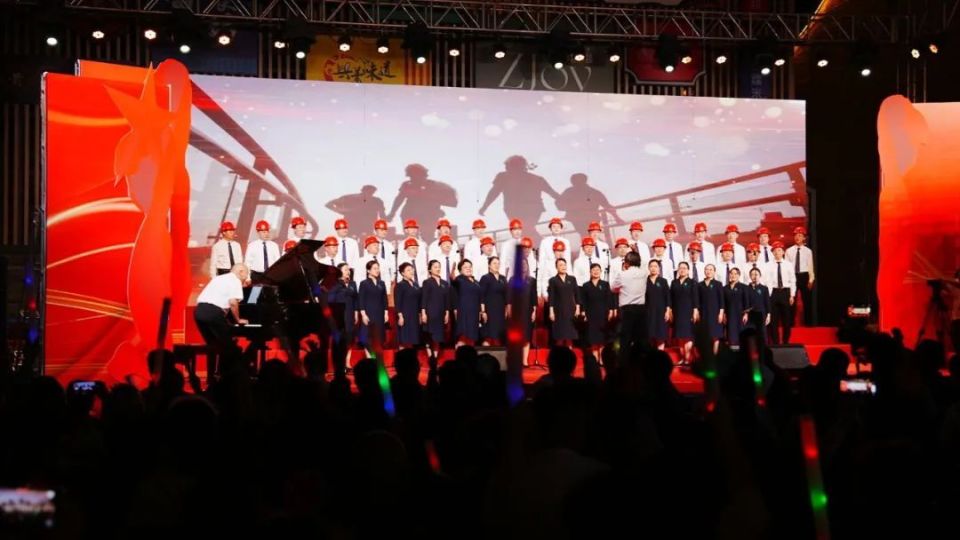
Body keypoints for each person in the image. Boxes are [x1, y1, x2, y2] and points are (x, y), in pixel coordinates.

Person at [479, 155, 560, 240]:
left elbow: (494, 192)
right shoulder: (535, 179)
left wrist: (484, 207)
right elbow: (494, 193)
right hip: (520, 209)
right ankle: (539, 244)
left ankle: (541, 244)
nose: (506, 168)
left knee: (525, 230)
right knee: (525, 231)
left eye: (508, 166)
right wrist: (484, 207)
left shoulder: (506, 177)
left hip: (526, 209)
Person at [386, 163, 458, 237]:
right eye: (411, 176)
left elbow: (442, 200)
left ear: (423, 175)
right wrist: (392, 213)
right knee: (411, 237)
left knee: (428, 237)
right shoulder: (407, 185)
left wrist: (436, 209)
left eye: (415, 176)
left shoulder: (433, 185)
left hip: (428, 215)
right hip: (410, 214)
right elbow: (399, 199)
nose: (413, 178)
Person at [194, 263, 248, 354]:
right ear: (241, 272)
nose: (246, 278)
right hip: (213, 313)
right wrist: (238, 320)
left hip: (199, 312)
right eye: (247, 274)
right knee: (229, 348)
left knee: (214, 345)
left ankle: (215, 363)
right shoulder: (235, 280)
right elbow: (233, 303)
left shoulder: (218, 278)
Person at [555, 173, 624, 238]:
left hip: (582, 218)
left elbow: (607, 206)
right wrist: (617, 218)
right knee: (588, 236)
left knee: (587, 236)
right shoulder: (593, 192)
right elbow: (607, 206)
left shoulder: (570, 192)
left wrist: (617, 218)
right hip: (584, 218)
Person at [612, 251, 648, 356]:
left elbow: (613, 288)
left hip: (627, 310)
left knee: (625, 337)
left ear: (627, 262)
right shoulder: (644, 273)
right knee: (641, 337)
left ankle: (624, 360)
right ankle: (641, 359)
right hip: (641, 309)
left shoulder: (622, 274)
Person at [327, 263, 358, 374]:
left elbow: (355, 299)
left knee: (349, 339)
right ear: (339, 272)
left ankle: (347, 363)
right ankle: (340, 364)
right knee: (341, 340)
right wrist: (340, 283)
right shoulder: (335, 284)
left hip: (350, 314)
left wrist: (356, 312)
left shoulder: (353, 284)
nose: (348, 271)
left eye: (348, 269)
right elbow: (330, 299)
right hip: (339, 315)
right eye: (345, 269)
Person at [580, 263, 614, 360]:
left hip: (603, 314)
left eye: (598, 270)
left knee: (602, 338)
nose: (596, 272)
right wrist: (583, 312)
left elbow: (609, 298)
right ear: (590, 272)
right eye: (593, 270)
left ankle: (602, 360)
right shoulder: (586, 285)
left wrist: (611, 311)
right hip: (591, 314)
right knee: (593, 338)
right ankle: (595, 359)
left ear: (601, 271)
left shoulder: (605, 284)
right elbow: (583, 301)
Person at [508, 258, 538, 366]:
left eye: (525, 264)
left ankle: (524, 361)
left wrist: (534, 311)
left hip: (528, 311)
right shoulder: (512, 279)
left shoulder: (532, 280)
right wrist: (509, 310)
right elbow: (509, 297)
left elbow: (534, 297)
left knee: (527, 336)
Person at [420, 259, 451, 362]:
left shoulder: (444, 283)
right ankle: (430, 357)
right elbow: (424, 298)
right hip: (430, 313)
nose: (438, 269)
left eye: (439, 267)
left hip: (441, 313)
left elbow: (447, 300)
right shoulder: (427, 282)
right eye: (435, 267)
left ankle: (435, 358)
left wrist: (447, 313)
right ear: (430, 269)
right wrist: (423, 313)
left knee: (438, 336)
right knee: (429, 336)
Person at [670, 261, 699, 365]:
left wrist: (695, 310)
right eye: (680, 268)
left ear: (688, 270)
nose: (682, 270)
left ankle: (687, 357)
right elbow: (671, 297)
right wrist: (670, 310)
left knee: (688, 335)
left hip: (688, 311)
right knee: (680, 336)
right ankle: (683, 357)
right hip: (677, 312)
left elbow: (695, 297)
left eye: (684, 268)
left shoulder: (692, 282)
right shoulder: (674, 282)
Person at [768, 240, 797, 344]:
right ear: (772, 252)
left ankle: (785, 342)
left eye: (779, 250)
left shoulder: (789, 265)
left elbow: (793, 280)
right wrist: (768, 296)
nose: (777, 252)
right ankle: (775, 343)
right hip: (773, 293)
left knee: (786, 320)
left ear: (783, 252)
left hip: (785, 293)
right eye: (775, 250)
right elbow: (767, 281)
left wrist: (792, 295)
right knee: (773, 321)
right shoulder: (768, 265)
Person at [786, 226, 815, 325]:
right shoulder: (789, 251)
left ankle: (809, 324)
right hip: (793, 276)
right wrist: (788, 280)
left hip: (804, 276)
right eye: (796, 235)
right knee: (792, 300)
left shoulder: (808, 251)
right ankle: (791, 324)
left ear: (804, 237)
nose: (797, 237)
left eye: (800, 235)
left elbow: (810, 267)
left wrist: (811, 280)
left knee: (807, 301)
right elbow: (787, 267)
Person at [547, 258, 580, 348]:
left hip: (570, 310)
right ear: (556, 267)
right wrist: (551, 312)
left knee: (570, 336)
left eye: (564, 265)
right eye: (560, 265)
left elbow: (577, 294)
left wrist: (577, 308)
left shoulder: (572, 279)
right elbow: (551, 297)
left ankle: (570, 355)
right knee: (560, 336)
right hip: (559, 311)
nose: (563, 267)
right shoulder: (553, 280)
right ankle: (560, 355)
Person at [358, 260, 388, 352]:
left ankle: (377, 358)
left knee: (379, 337)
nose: (377, 270)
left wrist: (386, 313)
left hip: (380, 314)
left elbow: (384, 299)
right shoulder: (364, 283)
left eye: (378, 268)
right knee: (368, 338)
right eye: (375, 268)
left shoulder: (381, 283)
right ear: (368, 270)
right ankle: (370, 358)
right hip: (368, 313)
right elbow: (361, 300)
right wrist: (363, 315)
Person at [452, 259, 482, 347]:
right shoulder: (459, 279)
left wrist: (480, 311)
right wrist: (452, 270)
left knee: (472, 336)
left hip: (475, 312)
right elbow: (453, 279)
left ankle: (470, 353)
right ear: (460, 270)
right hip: (464, 311)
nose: (468, 269)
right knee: (463, 335)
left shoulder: (476, 282)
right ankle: (460, 352)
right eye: (465, 267)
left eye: (470, 267)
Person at [479, 256, 507, 345]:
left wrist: (506, 309)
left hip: (500, 310)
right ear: (489, 265)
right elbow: (481, 296)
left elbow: (506, 295)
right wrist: (483, 311)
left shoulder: (503, 278)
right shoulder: (485, 278)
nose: (496, 265)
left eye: (498, 263)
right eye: (494, 263)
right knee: (488, 335)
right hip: (489, 310)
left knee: (498, 336)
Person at [697, 264, 725, 352]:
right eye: (707, 269)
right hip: (703, 313)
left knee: (715, 335)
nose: (708, 271)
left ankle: (715, 354)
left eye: (711, 269)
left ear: (714, 272)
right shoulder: (700, 284)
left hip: (715, 312)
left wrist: (721, 313)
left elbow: (721, 300)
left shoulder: (718, 284)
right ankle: (707, 354)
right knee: (705, 335)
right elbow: (698, 299)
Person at [646, 260, 672, 350]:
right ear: (648, 268)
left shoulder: (663, 281)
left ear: (659, 268)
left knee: (661, 335)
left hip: (661, 312)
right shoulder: (644, 281)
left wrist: (667, 311)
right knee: (649, 335)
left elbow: (668, 297)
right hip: (648, 312)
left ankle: (660, 355)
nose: (653, 268)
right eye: (651, 266)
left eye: (655, 266)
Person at [394, 262, 421, 350]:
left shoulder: (416, 285)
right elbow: (397, 302)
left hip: (414, 315)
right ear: (402, 273)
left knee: (413, 338)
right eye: (408, 270)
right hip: (405, 315)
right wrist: (400, 316)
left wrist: (420, 314)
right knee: (404, 338)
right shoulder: (400, 285)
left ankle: (411, 356)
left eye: (412, 269)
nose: (411, 271)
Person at [723, 267, 749, 347]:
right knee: (730, 332)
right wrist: (724, 313)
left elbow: (746, 301)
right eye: (731, 273)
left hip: (740, 314)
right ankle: (732, 349)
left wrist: (746, 314)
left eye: (735, 274)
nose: (733, 275)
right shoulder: (725, 288)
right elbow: (723, 302)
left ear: (739, 275)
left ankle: (741, 351)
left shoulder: (744, 287)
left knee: (740, 333)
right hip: (729, 314)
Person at [746, 267, 771, 334]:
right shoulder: (746, 288)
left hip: (761, 314)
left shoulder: (764, 288)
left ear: (760, 275)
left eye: (756, 274)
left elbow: (767, 302)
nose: (754, 276)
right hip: (750, 314)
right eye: (752, 274)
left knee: (761, 333)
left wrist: (768, 315)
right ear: (750, 276)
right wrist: (746, 314)